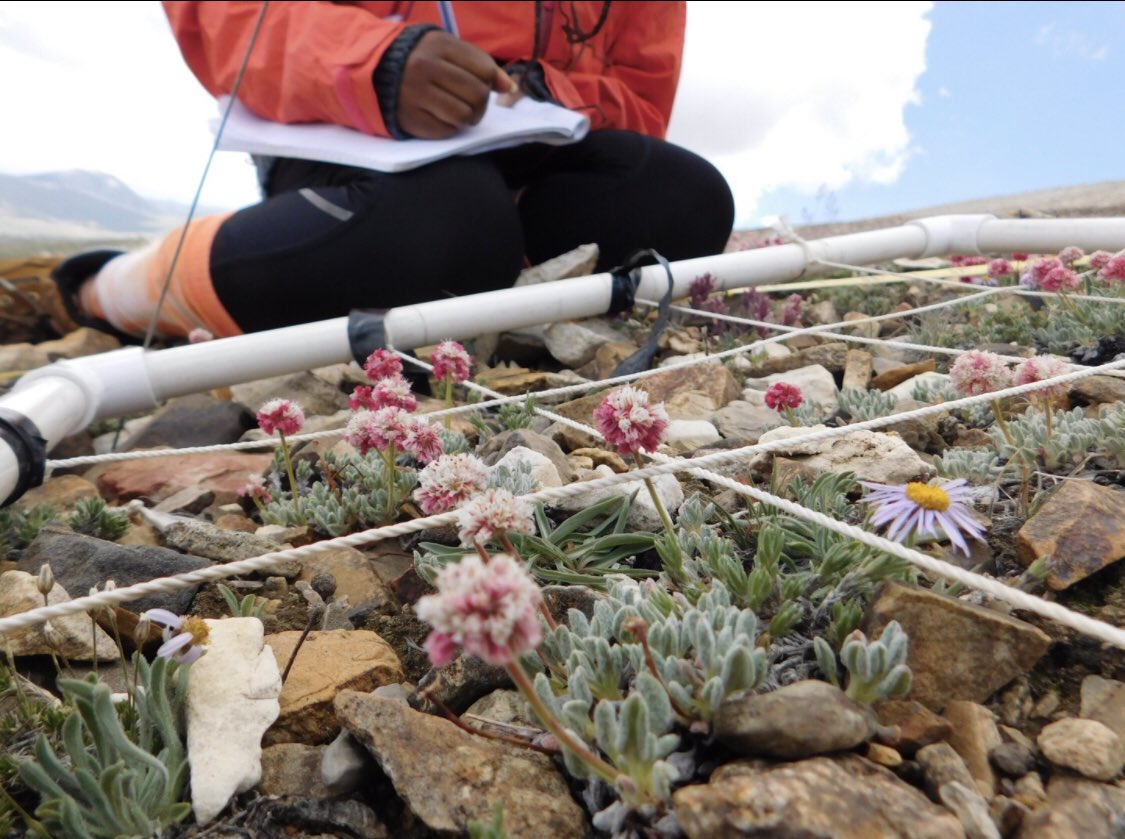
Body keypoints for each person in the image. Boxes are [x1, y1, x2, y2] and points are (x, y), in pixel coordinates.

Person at [54, 1, 735, 341]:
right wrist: (377, 64)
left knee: (688, 199)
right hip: (336, 130)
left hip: (529, 143)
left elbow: (641, 100)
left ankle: (486, 277)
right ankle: (106, 288)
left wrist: (541, 90)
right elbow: (222, 20)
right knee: (445, 222)